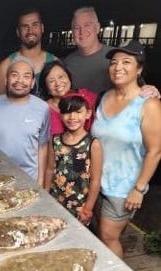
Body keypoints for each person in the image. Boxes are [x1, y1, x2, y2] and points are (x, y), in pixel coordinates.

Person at [91, 40, 161, 258]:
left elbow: (155, 151)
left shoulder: (148, 104)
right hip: (95, 183)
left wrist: (139, 189)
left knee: (108, 237)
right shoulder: (102, 97)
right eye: (113, 62)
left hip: (124, 188)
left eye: (126, 62)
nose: (118, 67)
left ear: (139, 68)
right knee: (97, 235)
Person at [0, 56, 49, 186]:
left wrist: (41, 180)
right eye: (15, 75)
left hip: (29, 178)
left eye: (26, 76)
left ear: (32, 83)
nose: (20, 80)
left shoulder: (43, 108)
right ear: (6, 80)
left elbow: (42, 146)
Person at [45, 93, 102, 226]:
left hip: (79, 206)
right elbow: (49, 169)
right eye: (67, 112)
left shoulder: (93, 144)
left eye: (77, 112)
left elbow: (95, 180)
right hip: (55, 201)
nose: (72, 117)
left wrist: (87, 209)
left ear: (88, 114)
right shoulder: (55, 140)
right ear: (60, 114)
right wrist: (46, 195)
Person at [0, 7, 58, 96]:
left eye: (34, 25)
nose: (30, 31)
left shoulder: (55, 62)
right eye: (25, 26)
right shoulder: (5, 66)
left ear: (42, 28)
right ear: (18, 32)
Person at [39, 60, 97, 135]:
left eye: (61, 77)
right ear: (46, 88)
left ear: (69, 78)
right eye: (51, 81)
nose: (58, 83)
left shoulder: (87, 97)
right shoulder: (42, 110)